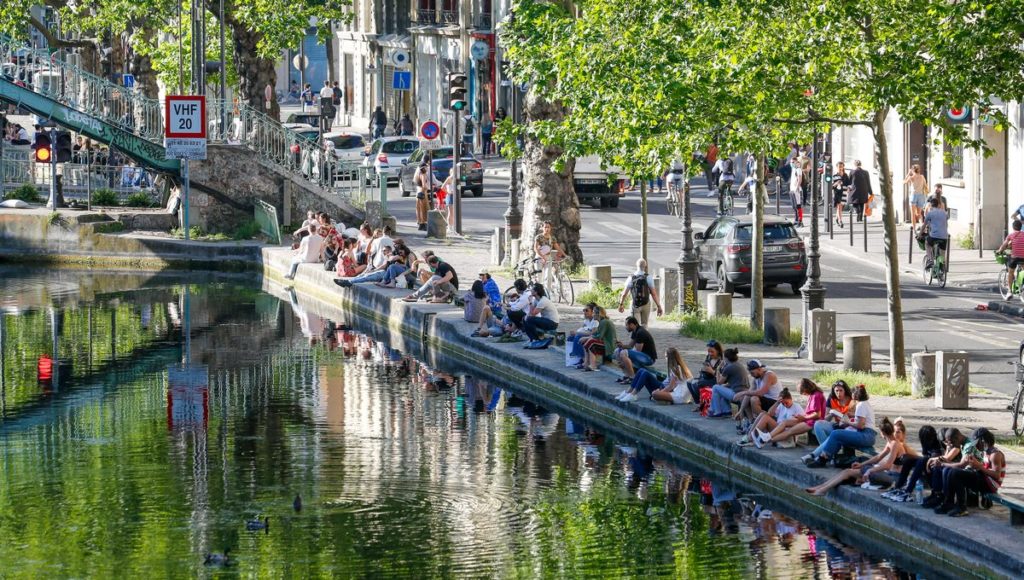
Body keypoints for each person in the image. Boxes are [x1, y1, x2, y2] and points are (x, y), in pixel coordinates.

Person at [805, 418, 901, 496]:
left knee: (850, 472)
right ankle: (821, 487)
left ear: (882, 432)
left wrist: (870, 470)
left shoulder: (895, 444)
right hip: (887, 475)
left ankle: (823, 489)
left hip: (893, 478)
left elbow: (888, 465)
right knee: (847, 471)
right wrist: (861, 464)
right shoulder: (890, 443)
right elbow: (877, 458)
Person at [933, 428, 1005, 517]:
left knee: (956, 474)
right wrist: (974, 464)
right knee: (952, 472)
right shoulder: (986, 451)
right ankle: (949, 503)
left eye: (976, 443)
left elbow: (996, 475)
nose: (975, 446)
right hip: (984, 478)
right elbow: (984, 467)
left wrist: (979, 466)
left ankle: (961, 508)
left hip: (990, 485)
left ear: (982, 441)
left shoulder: (995, 454)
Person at [803, 384, 876, 468]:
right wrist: (849, 420)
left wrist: (847, 422)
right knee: (838, 435)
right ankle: (826, 458)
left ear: (854, 395)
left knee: (836, 434)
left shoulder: (861, 405)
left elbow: (861, 425)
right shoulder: (864, 404)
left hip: (866, 435)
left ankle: (822, 459)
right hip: (867, 435)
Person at [753, 378, 826, 448]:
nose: (803, 394)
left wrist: (804, 417)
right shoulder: (813, 395)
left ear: (807, 388)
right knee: (784, 422)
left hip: (811, 422)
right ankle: (766, 437)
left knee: (789, 432)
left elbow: (817, 414)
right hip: (807, 420)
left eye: (803, 392)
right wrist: (802, 417)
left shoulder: (816, 395)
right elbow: (770, 413)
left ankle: (764, 440)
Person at [883, 424, 943, 503]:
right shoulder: (927, 446)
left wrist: (922, 460)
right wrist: (910, 457)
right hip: (926, 471)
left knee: (922, 460)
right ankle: (898, 487)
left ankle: (908, 491)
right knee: (909, 460)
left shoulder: (937, 447)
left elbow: (932, 461)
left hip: (936, 475)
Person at [617, 347, 693, 404]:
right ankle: (628, 392)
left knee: (644, 373)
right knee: (641, 370)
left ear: (671, 358)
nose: (665, 359)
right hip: (662, 386)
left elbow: (671, 386)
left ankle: (633, 394)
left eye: (666, 357)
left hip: (663, 388)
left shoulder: (675, 368)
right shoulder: (680, 367)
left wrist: (661, 392)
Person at [734, 360, 782, 431]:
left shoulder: (769, 375)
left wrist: (743, 392)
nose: (751, 375)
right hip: (766, 400)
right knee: (745, 398)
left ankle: (763, 422)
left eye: (752, 373)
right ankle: (752, 422)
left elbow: (761, 392)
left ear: (759, 369)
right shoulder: (756, 378)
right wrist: (741, 410)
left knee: (754, 399)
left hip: (775, 402)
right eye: (750, 373)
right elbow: (749, 392)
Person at [617, 258, 663, 325]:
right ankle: (644, 334)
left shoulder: (631, 278)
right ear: (645, 266)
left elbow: (624, 294)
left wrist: (621, 304)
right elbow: (654, 294)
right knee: (644, 324)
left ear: (636, 265)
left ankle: (636, 335)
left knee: (635, 325)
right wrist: (659, 306)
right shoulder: (648, 278)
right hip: (646, 303)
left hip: (635, 304)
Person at [613, 317, 658, 384]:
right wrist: (622, 346)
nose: (626, 327)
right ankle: (626, 376)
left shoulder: (640, 332)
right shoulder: (635, 331)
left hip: (649, 358)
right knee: (617, 351)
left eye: (626, 325)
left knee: (623, 353)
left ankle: (632, 377)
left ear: (632, 324)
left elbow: (637, 350)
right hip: (641, 356)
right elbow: (630, 346)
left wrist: (624, 355)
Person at [811, 380, 854, 445]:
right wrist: (831, 414)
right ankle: (827, 448)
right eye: (836, 391)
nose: (838, 393)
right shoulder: (831, 399)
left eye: (841, 390)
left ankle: (827, 450)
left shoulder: (852, 399)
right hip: (837, 426)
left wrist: (848, 415)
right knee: (818, 424)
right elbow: (825, 419)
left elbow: (858, 416)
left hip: (849, 427)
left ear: (845, 390)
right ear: (833, 391)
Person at [708, 348, 747, 418]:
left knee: (715, 387)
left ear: (726, 358)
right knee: (722, 388)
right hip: (743, 390)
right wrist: (725, 385)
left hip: (737, 393)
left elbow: (719, 382)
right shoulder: (738, 365)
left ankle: (717, 411)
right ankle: (727, 411)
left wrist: (718, 369)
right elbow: (735, 381)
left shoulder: (729, 367)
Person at [686, 340, 724, 407]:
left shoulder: (721, 361)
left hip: (715, 381)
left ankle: (703, 404)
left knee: (697, 384)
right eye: (708, 351)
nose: (710, 353)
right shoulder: (709, 357)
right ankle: (698, 403)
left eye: (712, 352)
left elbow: (721, 378)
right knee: (689, 382)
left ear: (718, 351)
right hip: (706, 378)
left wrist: (712, 371)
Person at [522, 283, 560, 348]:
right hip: (546, 320)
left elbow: (532, 314)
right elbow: (530, 313)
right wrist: (526, 317)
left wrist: (530, 302)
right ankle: (532, 339)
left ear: (536, 292)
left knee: (529, 319)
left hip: (552, 323)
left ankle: (536, 339)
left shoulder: (543, 301)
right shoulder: (537, 300)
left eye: (532, 289)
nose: (530, 290)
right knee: (525, 318)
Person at [580, 307, 617, 372]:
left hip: (609, 346)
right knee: (588, 340)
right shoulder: (601, 322)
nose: (593, 314)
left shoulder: (604, 322)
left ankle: (593, 365)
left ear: (598, 314)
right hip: (605, 343)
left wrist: (587, 338)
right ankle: (586, 363)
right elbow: (596, 334)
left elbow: (599, 337)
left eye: (594, 313)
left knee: (592, 342)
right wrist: (587, 338)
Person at [565, 303, 599, 367]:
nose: (584, 312)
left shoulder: (595, 321)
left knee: (578, 337)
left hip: (592, 337)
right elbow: (581, 329)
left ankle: (582, 359)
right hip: (585, 335)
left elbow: (592, 333)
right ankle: (575, 358)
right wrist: (575, 332)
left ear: (592, 312)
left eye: (586, 310)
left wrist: (577, 333)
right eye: (584, 310)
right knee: (570, 337)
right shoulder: (586, 320)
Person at [533, 221, 566, 288]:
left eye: (548, 227)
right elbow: (535, 248)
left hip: (548, 258)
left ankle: (547, 293)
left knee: (548, 277)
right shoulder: (538, 237)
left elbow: (558, 248)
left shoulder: (552, 238)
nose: (547, 229)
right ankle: (538, 292)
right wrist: (542, 257)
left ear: (550, 228)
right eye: (545, 227)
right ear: (542, 228)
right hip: (539, 258)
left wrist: (565, 255)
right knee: (539, 277)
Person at [922, 196, 948, 270]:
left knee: (927, 243)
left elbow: (924, 225)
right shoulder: (944, 213)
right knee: (942, 252)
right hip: (944, 237)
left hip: (934, 236)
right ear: (938, 205)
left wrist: (920, 234)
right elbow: (945, 221)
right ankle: (942, 268)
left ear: (930, 205)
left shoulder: (930, 213)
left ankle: (930, 260)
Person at [414, 157, 439, 231]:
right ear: (424, 168)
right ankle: (423, 224)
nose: (428, 168)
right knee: (424, 208)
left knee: (419, 208)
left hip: (418, 191)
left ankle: (420, 222)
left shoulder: (418, 173)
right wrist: (428, 188)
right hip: (422, 192)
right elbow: (424, 185)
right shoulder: (423, 174)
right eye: (426, 167)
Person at [903, 164, 928, 229]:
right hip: (921, 195)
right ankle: (921, 225)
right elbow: (925, 185)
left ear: (913, 170)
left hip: (913, 195)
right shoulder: (922, 177)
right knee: (919, 213)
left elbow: (904, 182)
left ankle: (914, 229)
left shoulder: (912, 177)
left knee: (913, 213)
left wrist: (908, 173)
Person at [832, 161, 851, 228]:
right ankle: (840, 221)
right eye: (839, 167)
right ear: (837, 167)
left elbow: (849, 184)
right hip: (837, 193)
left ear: (843, 167)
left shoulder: (845, 175)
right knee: (839, 207)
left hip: (844, 192)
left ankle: (837, 218)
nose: (840, 168)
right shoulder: (835, 176)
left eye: (841, 166)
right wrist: (837, 183)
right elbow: (832, 186)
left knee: (841, 207)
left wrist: (849, 188)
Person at [788, 156, 805, 227]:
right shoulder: (793, 169)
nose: (791, 163)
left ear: (796, 162)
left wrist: (797, 187)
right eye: (790, 162)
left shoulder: (798, 169)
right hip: (792, 189)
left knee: (798, 205)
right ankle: (796, 219)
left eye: (792, 162)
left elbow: (799, 179)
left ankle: (800, 221)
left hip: (796, 190)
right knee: (794, 206)